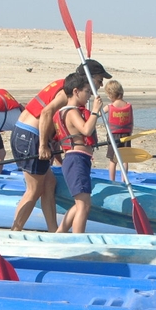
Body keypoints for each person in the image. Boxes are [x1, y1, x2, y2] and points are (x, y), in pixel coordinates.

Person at [10, 60, 112, 232]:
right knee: (34, 189)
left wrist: (57, 157)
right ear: (88, 78)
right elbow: (46, 112)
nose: (100, 85)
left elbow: (59, 128)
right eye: (99, 80)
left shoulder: (69, 88)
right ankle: (15, 230)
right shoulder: (67, 92)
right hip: (31, 136)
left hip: (27, 134)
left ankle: (54, 231)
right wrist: (43, 145)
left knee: (49, 183)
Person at [53, 73, 103, 234]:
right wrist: (95, 111)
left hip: (79, 159)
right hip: (76, 160)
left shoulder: (69, 111)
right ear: (76, 91)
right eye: (87, 91)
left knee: (80, 203)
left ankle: (60, 233)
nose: (89, 95)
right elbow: (86, 130)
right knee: (84, 205)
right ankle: (77, 238)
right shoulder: (71, 112)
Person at [103, 79, 133, 182]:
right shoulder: (128, 105)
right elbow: (131, 122)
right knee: (125, 159)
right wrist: (130, 133)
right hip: (126, 134)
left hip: (113, 136)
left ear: (111, 95)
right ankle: (124, 180)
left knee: (113, 160)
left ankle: (112, 180)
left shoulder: (109, 107)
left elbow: (98, 114)